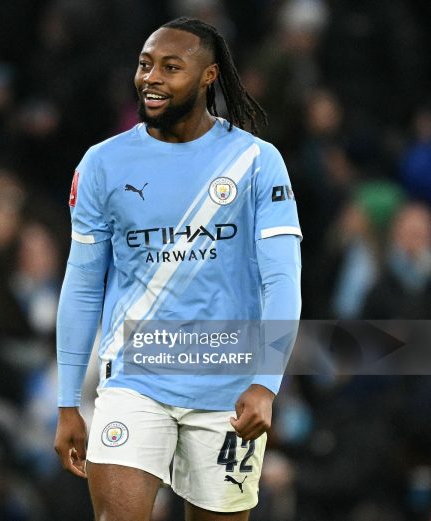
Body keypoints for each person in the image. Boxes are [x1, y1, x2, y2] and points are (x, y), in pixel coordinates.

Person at [53, 17, 302, 521]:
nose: (151, 78)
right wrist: (67, 401)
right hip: (134, 381)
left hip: (228, 389)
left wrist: (266, 383)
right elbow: (82, 285)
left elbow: (282, 280)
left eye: (171, 67)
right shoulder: (102, 164)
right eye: (145, 65)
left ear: (209, 76)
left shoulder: (256, 161)